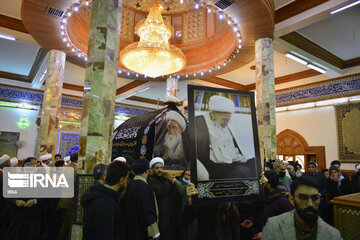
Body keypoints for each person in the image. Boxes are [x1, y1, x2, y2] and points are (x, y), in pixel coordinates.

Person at [262, 176, 342, 239]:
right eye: (303, 198)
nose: (310, 204)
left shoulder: (332, 235)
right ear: (292, 200)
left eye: (315, 198)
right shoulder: (273, 227)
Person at [195, 95, 255, 180]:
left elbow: (233, 148)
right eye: (225, 119)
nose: (226, 124)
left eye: (228, 120)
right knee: (244, 171)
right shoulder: (199, 123)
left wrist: (239, 157)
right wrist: (232, 159)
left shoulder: (226, 126)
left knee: (254, 163)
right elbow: (210, 157)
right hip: (216, 168)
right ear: (214, 114)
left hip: (233, 164)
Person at [81, 161, 131, 240]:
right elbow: (104, 235)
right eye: (126, 179)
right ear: (121, 180)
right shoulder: (106, 203)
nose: (126, 183)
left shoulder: (100, 195)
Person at [148, 157, 187, 240]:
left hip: (170, 212)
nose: (159, 170)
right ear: (152, 169)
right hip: (161, 214)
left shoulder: (164, 178)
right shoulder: (151, 180)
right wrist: (169, 181)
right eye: (157, 168)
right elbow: (160, 191)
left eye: (161, 167)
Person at [124, 158, 160, 240]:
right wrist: (155, 232)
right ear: (147, 171)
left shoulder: (130, 184)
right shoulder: (143, 187)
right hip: (142, 229)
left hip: (131, 228)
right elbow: (147, 210)